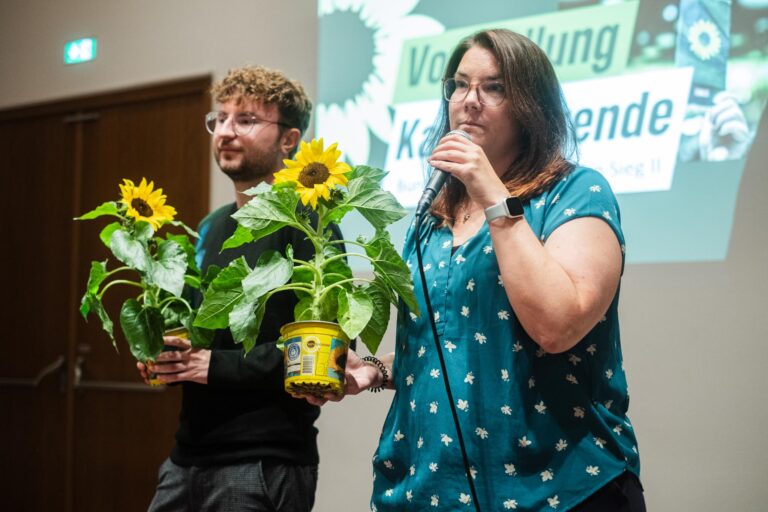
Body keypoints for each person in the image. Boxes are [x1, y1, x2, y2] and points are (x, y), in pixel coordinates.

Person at [305, 29, 645, 511]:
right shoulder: (436, 214)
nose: (469, 101)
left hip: (559, 486)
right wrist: (375, 370)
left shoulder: (575, 193)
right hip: (429, 489)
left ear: (532, 104)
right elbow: (451, 341)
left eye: (494, 87)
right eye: (459, 85)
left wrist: (493, 196)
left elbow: (557, 325)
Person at [137, 65, 341, 512]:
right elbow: (205, 338)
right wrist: (171, 354)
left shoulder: (310, 223)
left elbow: (316, 353)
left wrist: (211, 367)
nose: (225, 132)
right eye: (220, 119)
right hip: (185, 457)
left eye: (245, 120)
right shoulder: (210, 226)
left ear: (290, 140)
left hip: (263, 462)